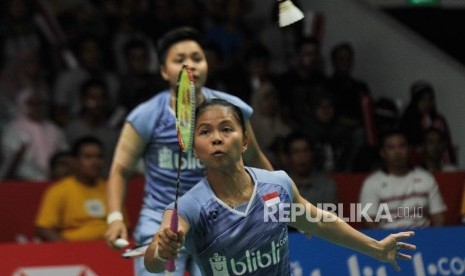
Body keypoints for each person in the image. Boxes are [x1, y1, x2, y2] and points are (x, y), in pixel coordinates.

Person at [144, 99, 416, 275]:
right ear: (196, 149)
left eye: (226, 129)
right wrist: (161, 248)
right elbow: (153, 263)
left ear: (245, 141)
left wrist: (376, 248)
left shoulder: (277, 184)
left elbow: (319, 222)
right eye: (205, 132)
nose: (216, 138)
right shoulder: (189, 207)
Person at [105, 27, 273, 276]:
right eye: (179, 60)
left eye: (197, 58)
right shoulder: (146, 116)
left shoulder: (231, 110)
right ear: (163, 70)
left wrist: (281, 205)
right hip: (161, 221)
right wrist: (115, 217)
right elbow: (120, 170)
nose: (189, 65)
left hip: (219, 221)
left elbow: (255, 161)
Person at [359, 129, 447, 229]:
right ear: (383, 153)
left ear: (409, 150)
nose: (397, 152)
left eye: (402, 146)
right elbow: (369, 222)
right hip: (388, 239)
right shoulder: (372, 183)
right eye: (391, 148)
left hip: (423, 236)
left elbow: (439, 219)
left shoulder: (426, 178)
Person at [35, 136, 108, 241]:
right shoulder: (59, 190)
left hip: (110, 250)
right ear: (75, 161)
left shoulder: (112, 190)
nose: (95, 162)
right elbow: (44, 228)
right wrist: (67, 249)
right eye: (88, 157)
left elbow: (124, 226)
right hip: (75, 250)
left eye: (99, 157)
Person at [283, 132, 338, 206]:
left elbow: (329, 216)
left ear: (312, 154)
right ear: (288, 157)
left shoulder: (327, 186)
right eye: (296, 152)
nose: (302, 156)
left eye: (306, 151)